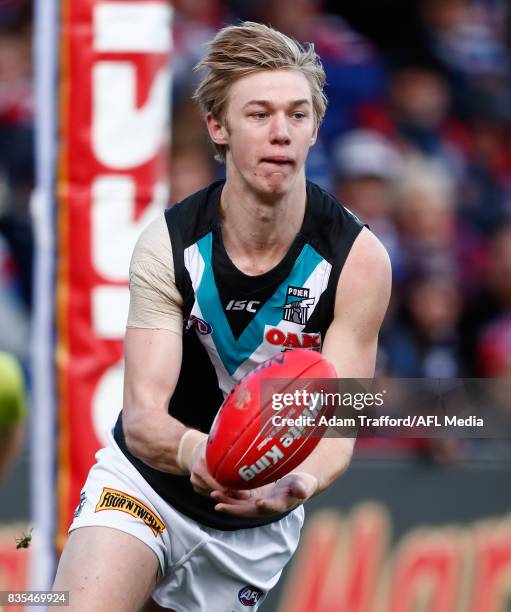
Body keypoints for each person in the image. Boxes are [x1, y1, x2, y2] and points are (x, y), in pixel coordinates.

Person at [52, 21, 391, 611]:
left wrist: (300, 484)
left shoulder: (359, 261)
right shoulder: (168, 245)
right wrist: (201, 456)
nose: (281, 133)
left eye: (297, 115)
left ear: (315, 129)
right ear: (219, 127)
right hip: (147, 487)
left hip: (253, 529)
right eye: (258, 114)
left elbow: (340, 421)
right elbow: (143, 419)